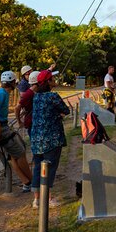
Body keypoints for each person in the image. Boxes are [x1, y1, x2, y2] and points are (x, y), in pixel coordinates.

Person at [0, 71, 33, 192]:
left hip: (2, 126)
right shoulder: (2, 93)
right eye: (14, 83)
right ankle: (32, 181)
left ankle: (26, 181)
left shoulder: (3, 93)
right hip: (0, 127)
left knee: (14, 154)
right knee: (20, 152)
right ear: (11, 83)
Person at [30, 69, 70, 208]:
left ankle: (36, 200)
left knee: (37, 168)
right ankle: (48, 199)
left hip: (36, 139)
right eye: (52, 79)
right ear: (48, 82)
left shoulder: (36, 97)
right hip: (51, 139)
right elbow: (66, 110)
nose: (55, 80)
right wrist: (58, 115)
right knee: (49, 168)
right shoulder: (53, 97)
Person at [15, 70, 40, 138]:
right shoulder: (28, 93)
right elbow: (17, 107)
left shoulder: (37, 91)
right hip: (32, 123)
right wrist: (19, 121)